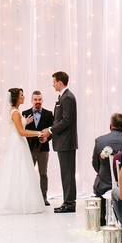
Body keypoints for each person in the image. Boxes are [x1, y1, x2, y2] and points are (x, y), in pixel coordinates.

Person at [0, 88, 45, 215]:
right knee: (20, 170)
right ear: (16, 98)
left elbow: (17, 127)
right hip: (17, 143)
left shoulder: (16, 111)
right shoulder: (16, 112)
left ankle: (17, 200)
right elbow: (21, 132)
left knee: (19, 170)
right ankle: (19, 202)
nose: (23, 97)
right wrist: (38, 133)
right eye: (21, 95)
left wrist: (25, 122)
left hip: (17, 142)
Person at [41, 71, 78, 214]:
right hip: (63, 142)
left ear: (60, 82)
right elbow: (59, 121)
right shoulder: (63, 97)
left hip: (66, 143)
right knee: (66, 174)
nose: (53, 85)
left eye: (54, 82)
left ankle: (69, 203)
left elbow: (66, 120)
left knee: (68, 174)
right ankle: (68, 202)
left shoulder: (67, 97)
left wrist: (50, 130)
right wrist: (49, 135)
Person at [92, 113, 122, 225]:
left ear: (111, 125)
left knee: (98, 181)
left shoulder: (100, 141)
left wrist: (103, 174)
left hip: (104, 184)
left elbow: (95, 164)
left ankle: (102, 218)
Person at [22, 91, 54, 206]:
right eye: (35, 99)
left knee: (43, 174)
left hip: (43, 149)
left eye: (39, 99)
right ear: (32, 100)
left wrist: (47, 139)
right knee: (28, 174)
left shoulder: (49, 114)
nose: (37, 102)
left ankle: (43, 197)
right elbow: (21, 131)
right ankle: (27, 198)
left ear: (42, 100)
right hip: (29, 149)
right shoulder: (25, 113)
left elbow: (53, 131)